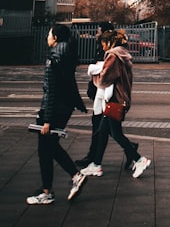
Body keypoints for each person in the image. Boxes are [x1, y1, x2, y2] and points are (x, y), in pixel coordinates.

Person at [26, 24, 88, 205]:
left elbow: (52, 91)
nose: (47, 37)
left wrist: (47, 120)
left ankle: (67, 180)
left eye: (49, 34)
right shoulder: (66, 55)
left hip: (53, 110)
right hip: (63, 109)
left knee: (46, 149)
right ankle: (49, 188)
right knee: (49, 147)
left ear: (55, 37)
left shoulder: (54, 59)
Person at [80, 29, 151, 179]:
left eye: (103, 44)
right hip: (120, 98)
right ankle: (96, 165)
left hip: (115, 100)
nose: (102, 47)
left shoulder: (113, 56)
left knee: (116, 134)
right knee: (103, 132)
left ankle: (139, 159)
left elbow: (105, 79)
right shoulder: (122, 54)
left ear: (108, 43)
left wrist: (94, 74)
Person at [76, 21, 116, 168]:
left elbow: (101, 71)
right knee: (105, 127)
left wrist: (92, 69)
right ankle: (94, 158)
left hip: (104, 95)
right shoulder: (102, 49)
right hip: (99, 93)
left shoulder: (107, 51)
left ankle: (93, 159)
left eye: (99, 31)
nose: (96, 34)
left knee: (101, 127)